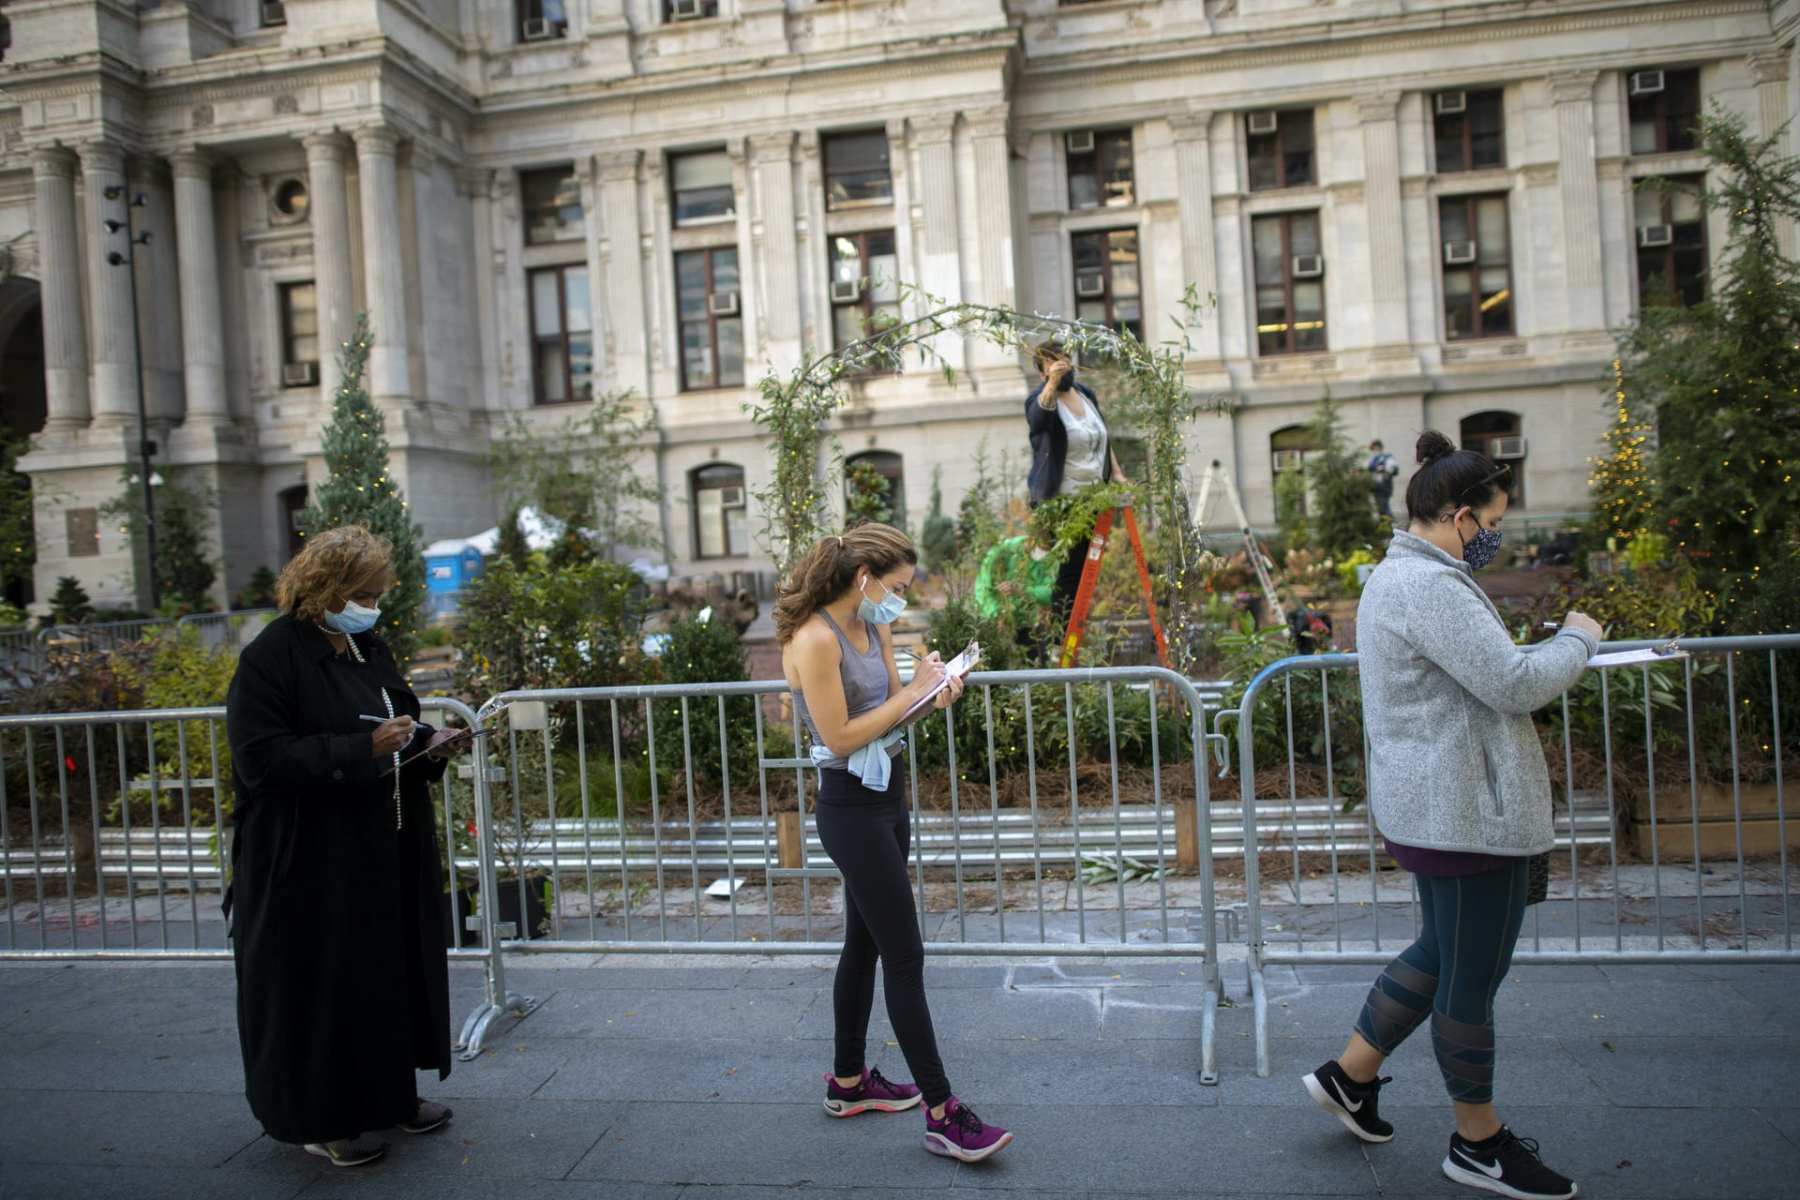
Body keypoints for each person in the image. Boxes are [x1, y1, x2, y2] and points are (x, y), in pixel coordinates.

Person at [1303, 432, 1603, 1200]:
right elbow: (1511, 683)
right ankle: (1478, 1143)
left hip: (1437, 804)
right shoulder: (1430, 586)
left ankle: (1350, 1076)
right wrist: (1577, 638)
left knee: (1441, 951)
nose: (1495, 539)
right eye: (1492, 523)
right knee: (1471, 977)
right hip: (1467, 811)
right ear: (1460, 516)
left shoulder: (1396, 575)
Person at [225, 525, 474, 1168]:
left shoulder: (365, 646)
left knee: (382, 974)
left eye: (378, 592)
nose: (373, 603)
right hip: (306, 857)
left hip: (381, 846)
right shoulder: (273, 657)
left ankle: (390, 1095)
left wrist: (427, 743)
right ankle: (319, 1115)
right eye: (363, 592)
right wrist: (362, 750)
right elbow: (260, 761)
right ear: (327, 588)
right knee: (322, 983)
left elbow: (394, 721)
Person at [777, 523, 1013, 1163]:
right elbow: (842, 735)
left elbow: (893, 709)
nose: (901, 601)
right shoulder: (813, 639)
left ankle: (848, 1083)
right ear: (865, 579)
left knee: (864, 945)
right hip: (849, 808)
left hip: (888, 797)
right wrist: (911, 691)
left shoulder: (872, 626)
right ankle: (943, 1113)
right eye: (899, 587)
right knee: (904, 956)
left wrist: (933, 693)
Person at [1024, 340, 1130, 625]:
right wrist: (1052, 383)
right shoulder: (1041, 399)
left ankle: (1075, 625)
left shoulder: (1086, 394)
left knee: (1088, 564)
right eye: (1052, 361)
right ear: (1043, 371)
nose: (1062, 364)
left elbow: (1103, 439)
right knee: (1071, 567)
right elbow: (1038, 418)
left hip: (1095, 496)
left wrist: (1117, 474)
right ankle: (1061, 631)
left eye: (1065, 358)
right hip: (1064, 500)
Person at [1367, 439, 1399, 522]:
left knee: (1384, 508)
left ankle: (1392, 525)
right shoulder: (1373, 459)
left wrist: (1383, 468)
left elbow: (1393, 469)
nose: (1373, 451)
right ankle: (1385, 526)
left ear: (1378, 447)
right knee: (1381, 509)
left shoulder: (1387, 457)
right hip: (1375, 487)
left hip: (1384, 487)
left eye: (1374, 448)